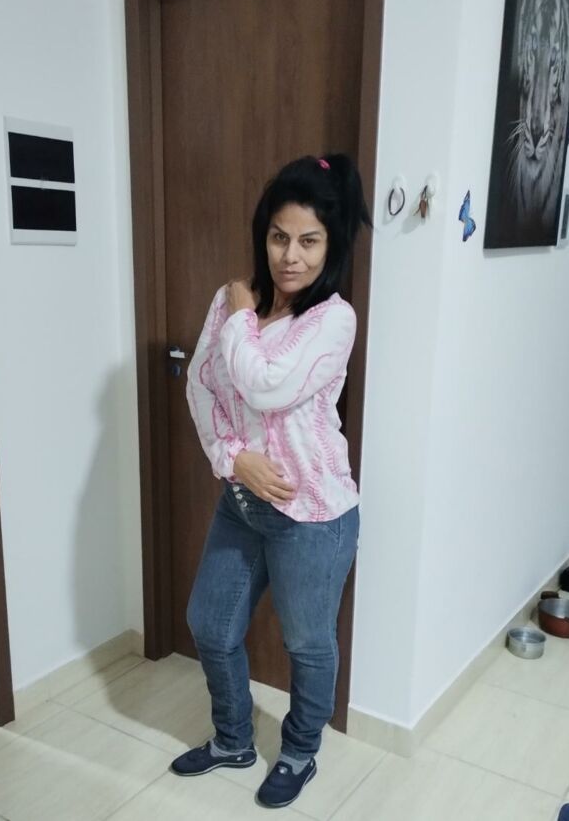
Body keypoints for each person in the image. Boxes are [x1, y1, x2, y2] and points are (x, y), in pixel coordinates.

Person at [170, 153, 372, 809]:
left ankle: (299, 751)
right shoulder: (233, 300)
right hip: (242, 500)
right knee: (209, 622)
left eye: (309, 241)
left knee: (307, 644)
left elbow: (264, 384)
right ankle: (233, 738)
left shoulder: (332, 319)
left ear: (331, 246)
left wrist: (239, 317)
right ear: (264, 233)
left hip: (312, 513)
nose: (290, 256)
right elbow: (201, 386)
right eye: (279, 236)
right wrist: (234, 458)